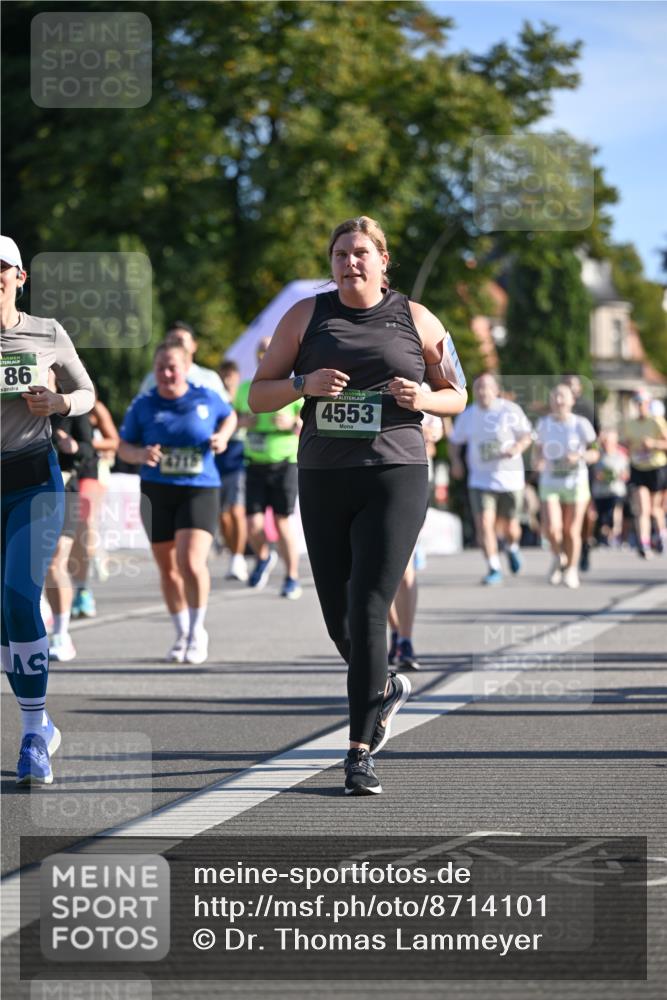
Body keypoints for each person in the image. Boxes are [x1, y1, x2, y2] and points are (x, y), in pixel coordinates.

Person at [249, 215, 467, 795]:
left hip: (395, 471)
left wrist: (423, 395)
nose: (351, 262)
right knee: (337, 615)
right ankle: (385, 687)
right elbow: (258, 393)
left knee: (370, 607)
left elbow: (458, 394)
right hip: (324, 474)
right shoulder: (305, 316)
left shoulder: (416, 317)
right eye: (341, 253)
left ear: (383, 261)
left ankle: (359, 751)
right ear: (331, 262)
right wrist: (303, 385)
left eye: (362, 253)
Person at [1, 235, 95, 785]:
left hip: (33, 478)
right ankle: (41, 722)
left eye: (2, 269)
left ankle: (34, 733)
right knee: (4, 618)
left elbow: (86, 392)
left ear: (19, 277)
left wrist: (58, 403)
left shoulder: (47, 331)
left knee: (19, 595)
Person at [118, 342, 236, 664]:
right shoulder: (144, 404)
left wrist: (223, 437)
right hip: (156, 490)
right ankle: (182, 631)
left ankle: (198, 631)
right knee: (168, 569)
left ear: (186, 368)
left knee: (190, 562)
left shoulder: (205, 396)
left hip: (199, 488)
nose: (166, 374)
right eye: (160, 368)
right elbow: (123, 446)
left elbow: (230, 416)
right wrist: (140, 454)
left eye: (172, 367)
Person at [449, 373, 533, 585]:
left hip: (510, 479)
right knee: (484, 524)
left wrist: (517, 447)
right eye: (478, 388)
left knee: (511, 528)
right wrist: (456, 462)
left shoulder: (509, 410)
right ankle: (494, 566)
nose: (482, 392)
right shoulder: (468, 414)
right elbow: (454, 441)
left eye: (486, 387)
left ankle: (512, 547)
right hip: (480, 480)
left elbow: (527, 435)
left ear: (496, 390)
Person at [236, 337, 304, 598]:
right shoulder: (245, 387)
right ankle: (263, 557)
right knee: (252, 524)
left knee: (281, 521)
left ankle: (292, 577)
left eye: (268, 350)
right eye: (260, 350)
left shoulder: (294, 384)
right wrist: (243, 422)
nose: (263, 354)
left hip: (285, 461)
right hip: (254, 461)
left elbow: (306, 421)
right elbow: (234, 418)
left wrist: (290, 423)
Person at [45, 401, 98, 661]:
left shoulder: (72, 409)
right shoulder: (14, 406)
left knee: (55, 560)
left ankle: (61, 635)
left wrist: (74, 447)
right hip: (22, 490)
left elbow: (90, 450)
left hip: (65, 489)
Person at [534, 383, 598, 589]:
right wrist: (538, 462)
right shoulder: (543, 424)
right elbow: (537, 452)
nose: (559, 401)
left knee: (571, 530)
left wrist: (579, 455)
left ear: (572, 401)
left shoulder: (581, 424)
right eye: (555, 397)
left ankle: (571, 569)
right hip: (550, 481)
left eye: (563, 397)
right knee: (552, 529)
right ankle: (558, 556)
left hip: (576, 482)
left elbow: (595, 452)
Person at [620, 389, 667, 558]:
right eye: (637, 403)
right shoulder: (630, 424)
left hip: (656, 468)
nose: (640, 407)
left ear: (648, 404)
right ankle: (644, 543)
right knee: (642, 508)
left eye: (642, 403)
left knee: (655, 509)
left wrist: (653, 443)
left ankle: (661, 534)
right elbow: (625, 445)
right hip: (638, 467)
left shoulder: (657, 422)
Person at [216, 359, 248, 581]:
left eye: (231, 376)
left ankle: (238, 557)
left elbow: (252, 418)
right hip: (218, 461)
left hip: (239, 460)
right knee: (222, 516)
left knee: (237, 511)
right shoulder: (216, 397)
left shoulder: (244, 395)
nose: (228, 380)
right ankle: (232, 553)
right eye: (224, 376)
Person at [138, 322, 228, 399]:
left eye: (180, 341)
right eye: (171, 341)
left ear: (194, 345)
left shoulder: (209, 378)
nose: (176, 345)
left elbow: (226, 412)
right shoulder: (153, 379)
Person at [590, 429, 629, 547]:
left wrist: (620, 476)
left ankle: (616, 535)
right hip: (600, 493)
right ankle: (604, 537)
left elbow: (626, 474)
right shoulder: (597, 454)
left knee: (616, 511)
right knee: (602, 518)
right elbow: (594, 471)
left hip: (616, 491)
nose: (607, 443)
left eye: (609, 441)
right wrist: (600, 476)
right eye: (605, 441)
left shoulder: (621, 455)